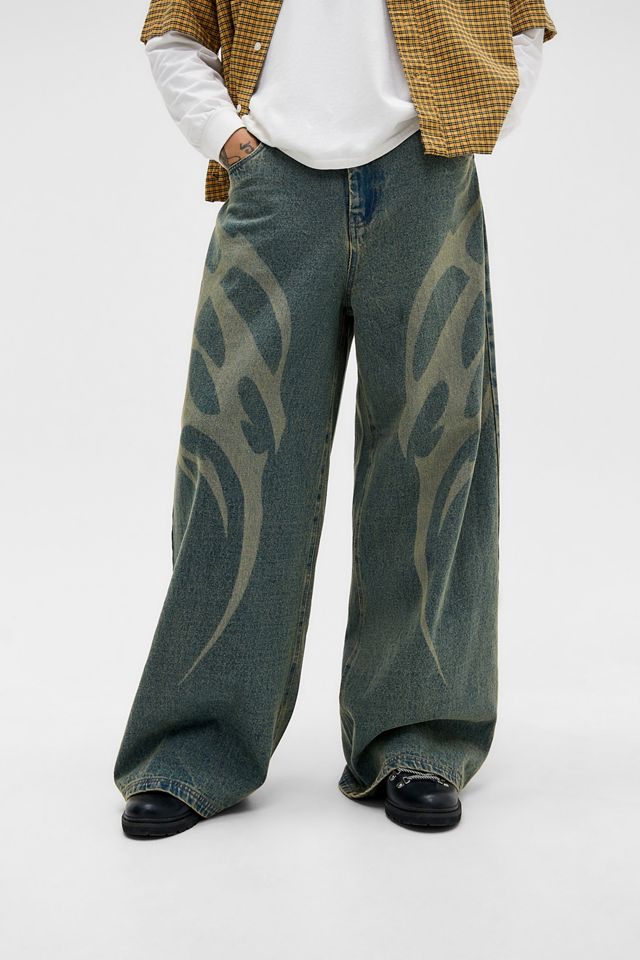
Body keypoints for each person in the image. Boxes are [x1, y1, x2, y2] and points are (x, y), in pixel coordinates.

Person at [114, 0, 557, 840]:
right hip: (272, 185)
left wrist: (472, 121)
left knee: (432, 455)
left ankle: (418, 737)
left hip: (428, 178)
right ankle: (193, 749)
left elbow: (523, 24)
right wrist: (227, 139)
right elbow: (175, 29)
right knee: (235, 467)